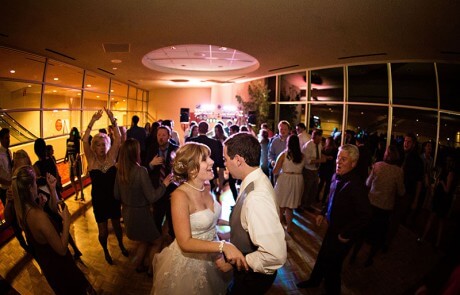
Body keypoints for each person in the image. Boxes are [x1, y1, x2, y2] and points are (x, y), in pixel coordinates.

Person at [152, 142, 246, 295]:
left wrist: (232, 225)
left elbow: (209, 220)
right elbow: (185, 242)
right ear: (191, 168)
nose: (212, 161)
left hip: (212, 255)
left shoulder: (206, 187)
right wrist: (223, 246)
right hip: (189, 264)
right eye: (205, 159)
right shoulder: (179, 196)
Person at [297, 144, 371, 295]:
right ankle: (314, 281)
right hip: (332, 228)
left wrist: (346, 234)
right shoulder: (336, 175)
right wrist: (323, 213)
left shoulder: (356, 185)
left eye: (343, 159)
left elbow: (366, 215)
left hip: (343, 234)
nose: (338, 162)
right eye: (338, 158)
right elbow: (331, 199)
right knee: (323, 256)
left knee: (333, 267)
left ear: (354, 163)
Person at [12, 165, 94, 295]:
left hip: (51, 269)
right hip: (62, 268)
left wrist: (46, 196)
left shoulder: (23, 211)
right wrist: (66, 221)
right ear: (29, 187)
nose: (37, 187)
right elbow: (61, 250)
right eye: (35, 183)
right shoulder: (39, 217)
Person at [223, 132, 287, 294]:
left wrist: (238, 260)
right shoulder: (253, 179)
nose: (225, 165)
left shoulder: (256, 197)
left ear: (238, 160)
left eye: (226, 159)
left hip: (252, 278)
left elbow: (275, 254)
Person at [115, 139, 172, 273]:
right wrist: (164, 184)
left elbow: (117, 195)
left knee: (144, 240)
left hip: (127, 214)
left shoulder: (120, 171)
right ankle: (151, 271)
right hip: (141, 215)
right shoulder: (140, 171)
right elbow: (152, 196)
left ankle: (137, 265)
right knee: (157, 241)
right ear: (135, 153)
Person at [83, 108, 128, 264]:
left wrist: (112, 119)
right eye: (98, 145)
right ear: (94, 147)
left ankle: (121, 245)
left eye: (104, 144)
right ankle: (105, 250)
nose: (102, 147)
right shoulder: (91, 160)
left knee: (117, 227)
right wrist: (93, 121)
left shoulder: (111, 157)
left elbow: (119, 138)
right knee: (102, 232)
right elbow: (84, 140)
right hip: (99, 201)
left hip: (113, 198)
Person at [350, 145, 405, 266]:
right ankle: (369, 259)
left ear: (387, 154)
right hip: (385, 207)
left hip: (371, 203)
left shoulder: (378, 165)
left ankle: (353, 255)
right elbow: (401, 191)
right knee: (378, 235)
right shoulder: (399, 171)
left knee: (363, 232)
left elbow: (367, 183)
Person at [145, 125, 179, 238]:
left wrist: (176, 169)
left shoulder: (176, 149)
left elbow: (183, 169)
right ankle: (156, 239)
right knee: (157, 217)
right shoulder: (152, 149)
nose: (161, 137)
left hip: (172, 189)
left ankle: (173, 238)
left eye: (164, 135)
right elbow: (144, 169)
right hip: (157, 189)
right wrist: (151, 164)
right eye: (159, 135)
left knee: (172, 217)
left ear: (169, 136)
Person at [419, 154, 458, 248]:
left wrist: (441, 182)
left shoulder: (450, 173)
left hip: (443, 199)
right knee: (439, 221)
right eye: (447, 160)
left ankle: (424, 238)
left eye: (449, 161)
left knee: (434, 218)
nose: (447, 162)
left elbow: (447, 189)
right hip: (441, 199)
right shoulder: (447, 171)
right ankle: (436, 243)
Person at [273, 135, 305, 233]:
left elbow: (275, 171)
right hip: (298, 180)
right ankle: (289, 227)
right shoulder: (302, 156)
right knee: (290, 206)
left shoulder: (284, 154)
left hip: (285, 179)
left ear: (288, 143)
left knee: (281, 206)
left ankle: (278, 228)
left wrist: (273, 164)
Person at [188, 121, 225, 193]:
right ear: (207, 130)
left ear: (198, 129)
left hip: (194, 174)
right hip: (210, 173)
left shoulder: (191, 141)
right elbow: (220, 162)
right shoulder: (215, 143)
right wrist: (220, 183)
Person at [301, 129, 325, 211]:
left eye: (320, 139)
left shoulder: (319, 144)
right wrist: (319, 160)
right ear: (313, 137)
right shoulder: (308, 145)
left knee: (314, 189)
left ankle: (308, 205)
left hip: (315, 170)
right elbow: (307, 161)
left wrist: (325, 157)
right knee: (306, 189)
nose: (319, 141)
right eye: (318, 139)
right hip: (308, 170)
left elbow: (318, 154)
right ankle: (302, 206)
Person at [64, 127, 85, 201]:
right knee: (71, 177)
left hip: (76, 159)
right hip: (70, 159)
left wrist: (76, 161)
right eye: (71, 131)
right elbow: (67, 149)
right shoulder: (68, 140)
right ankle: (76, 192)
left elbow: (78, 152)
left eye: (73, 131)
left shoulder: (76, 141)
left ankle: (82, 193)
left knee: (78, 177)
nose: (72, 132)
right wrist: (65, 157)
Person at [268, 120, 291, 185]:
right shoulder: (275, 141)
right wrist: (272, 161)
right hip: (277, 170)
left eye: (285, 129)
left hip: (288, 172)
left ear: (288, 130)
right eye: (281, 129)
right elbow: (270, 154)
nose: (283, 131)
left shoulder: (291, 141)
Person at [0, 128, 12, 208]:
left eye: (9, 138)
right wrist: (9, 183)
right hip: (4, 190)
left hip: (12, 187)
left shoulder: (9, 152)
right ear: (1, 139)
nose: (9, 140)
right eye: (6, 138)